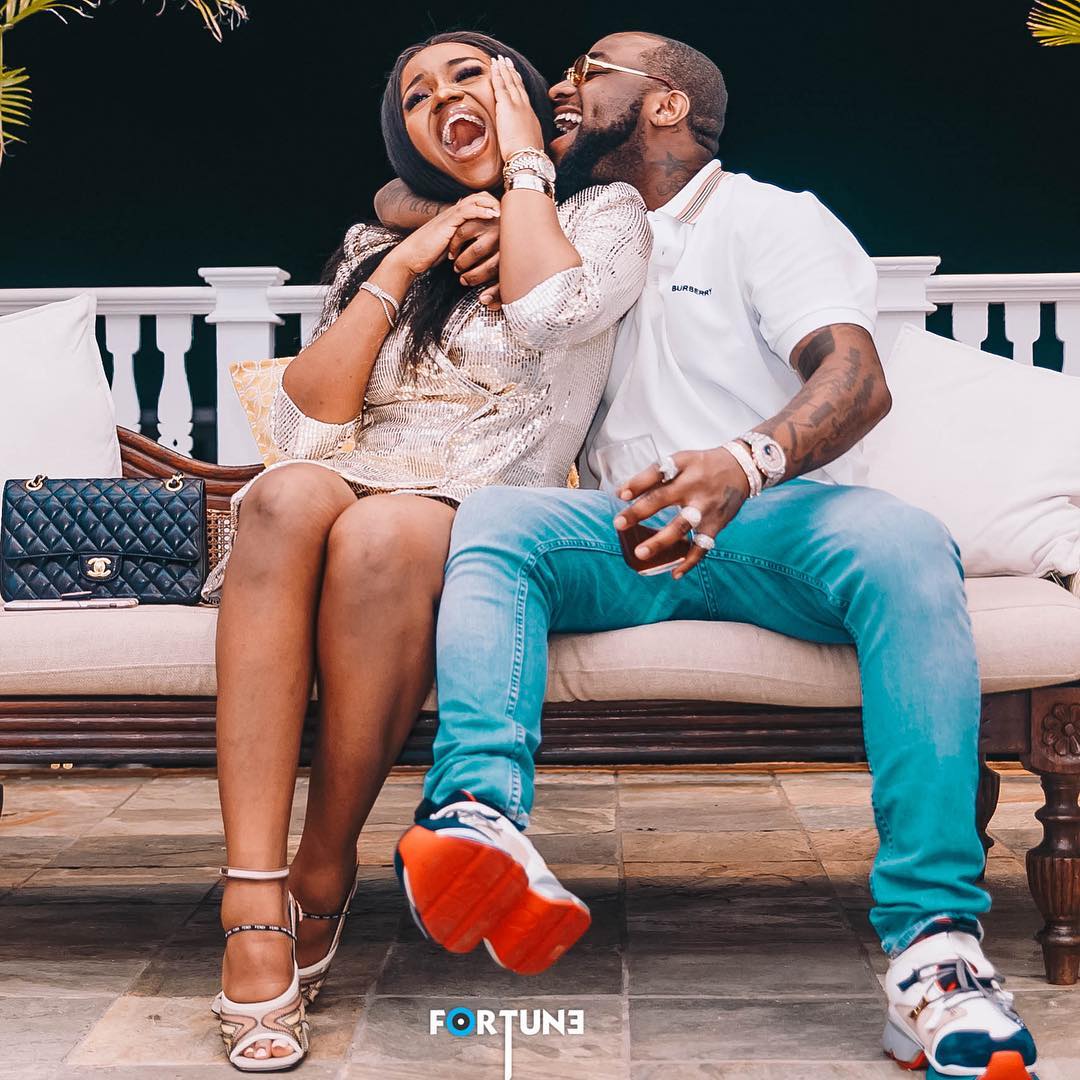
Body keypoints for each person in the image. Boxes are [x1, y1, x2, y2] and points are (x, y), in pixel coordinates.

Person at [381, 31, 1039, 1080]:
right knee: (497, 520)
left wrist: (745, 461)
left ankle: (935, 951)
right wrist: (477, 203)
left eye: (589, 69)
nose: (561, 84)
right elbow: (401, 193)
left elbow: (856, 378)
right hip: (620, 529)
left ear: (666, 104)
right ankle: (477, 816)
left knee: (911, 543)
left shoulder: (767, 218)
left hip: (770, 515)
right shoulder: (577, 224)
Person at [204, 30, 650, 1071]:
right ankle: (253, 895)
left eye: (470, 76)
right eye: (415, 95)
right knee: (282, 495)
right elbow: (310, 422)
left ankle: (323, 867)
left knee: (383, 530)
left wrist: (525, 170)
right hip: (349, 472)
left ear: (523, 95)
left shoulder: (600, 215)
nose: (441, 97)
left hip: (480, 494)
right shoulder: (379, 239)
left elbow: (557, 314)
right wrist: (406, 257)